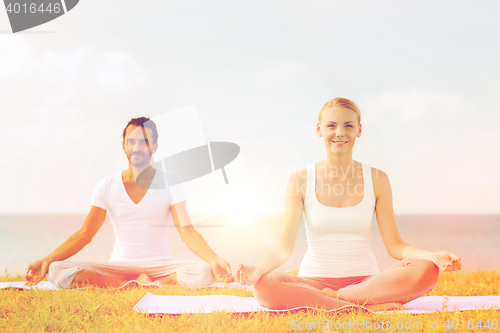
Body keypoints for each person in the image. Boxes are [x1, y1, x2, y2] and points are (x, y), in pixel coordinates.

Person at [234, 98, 461, 311]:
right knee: (265, 286)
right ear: (319, 129)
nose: (340, 133)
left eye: (348, 126)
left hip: (366, 282)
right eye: (331, 125)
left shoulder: (377, 179)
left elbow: (395, 246)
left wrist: (432, 256)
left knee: (426, 270)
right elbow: (284, 246)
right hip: (312, 281)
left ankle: (334, 303)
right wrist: (258, 270)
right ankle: (360, 306)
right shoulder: (300, 180)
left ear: (359, 130)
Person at [25, 117, 233, 288]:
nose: (137, 147)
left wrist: (213, 258)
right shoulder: (106, 186)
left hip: (160, 265)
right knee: (56, 270)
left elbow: (186, 231)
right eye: (131, 141)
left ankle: (148, 282)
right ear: (124, 146)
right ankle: (136, 283)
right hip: (119, 265)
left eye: (144, 141)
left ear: (154, 146)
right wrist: (46, 260)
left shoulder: (172, 184)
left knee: (204, 271)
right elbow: (85, 234)